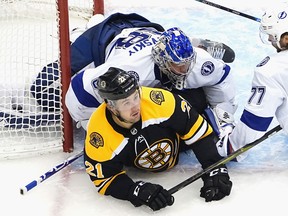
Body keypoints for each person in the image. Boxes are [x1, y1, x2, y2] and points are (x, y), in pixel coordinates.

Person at [1, 12, 235, 129]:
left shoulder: (197, 62)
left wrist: (222, 113)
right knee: (43, 89)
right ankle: (85, 28)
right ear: (163, 60)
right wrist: (93, 125)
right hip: (102, 38)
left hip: (144, 27)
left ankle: (194, 42)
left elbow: (222, 77)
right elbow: (78, 91)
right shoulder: (128, 70)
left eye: (187, 63)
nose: (184, 70)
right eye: (177, 65)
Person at [84, 67, 232, 211]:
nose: (135, 106)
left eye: (135, 97)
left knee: (197, 100)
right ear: (111, 107)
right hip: (137, 163)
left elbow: (197, 131)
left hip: (179, 144)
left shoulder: (160, 101)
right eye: (126, 103)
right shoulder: (98, 134)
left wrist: (214, 166)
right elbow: (106, 179)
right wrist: (135, 191)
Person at [216, 5, 288, 161]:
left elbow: (255, 123)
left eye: (272, 35)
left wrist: (231, 147)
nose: (270, 39)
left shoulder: (271, 70)